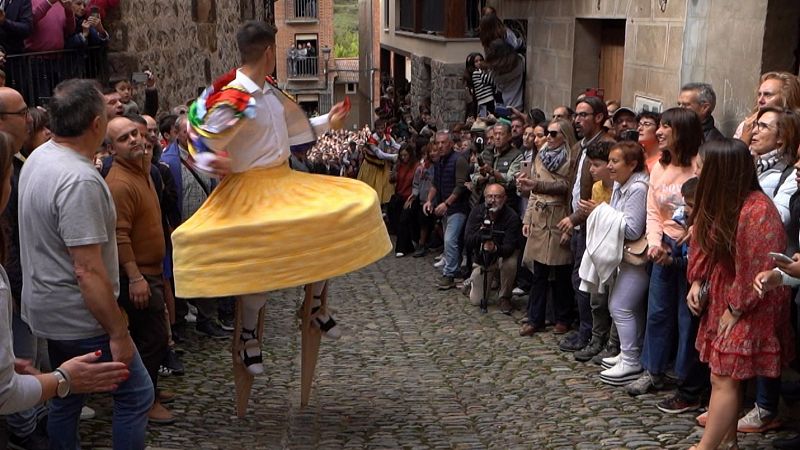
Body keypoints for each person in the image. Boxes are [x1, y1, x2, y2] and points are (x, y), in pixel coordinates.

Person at [172, 21, 390, 376]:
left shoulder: (268, 91)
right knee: (258, 271)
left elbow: (286, 135)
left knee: (330, 222)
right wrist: (216, 161)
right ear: (270, 53)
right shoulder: (234, 98)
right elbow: (199, 144)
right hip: (250, 190)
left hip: (282, 180)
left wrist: (325, 122)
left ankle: (314, 305)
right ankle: (247, 337)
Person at [18, 78, 153, 448]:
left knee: (68, 394)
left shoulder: (40, 157)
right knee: (136, 394)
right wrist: (118, 331)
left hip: (49, 309)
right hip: (80, 317)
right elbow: (87, 269)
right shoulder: (78, 180)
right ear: (96, 124)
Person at [687, 138, 794, 450]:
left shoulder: (758, 209)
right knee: (721, 373)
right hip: (726, 289)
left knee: (724, 375)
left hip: (756, 299)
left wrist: (736, 308)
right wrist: (697, 281)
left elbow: (758, 269)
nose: (696, 170)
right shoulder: (718, 200)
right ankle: (728, 440)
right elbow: (704, 245)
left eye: (702, 166)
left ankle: (705, 448)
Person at [104, 116, 174, 424]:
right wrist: (135, 277)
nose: (135, 140)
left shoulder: (143, 170)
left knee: (156, 337)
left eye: (135, 133)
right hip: (140, 275)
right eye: (124, 138)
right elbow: (119, 235)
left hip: (152, 270)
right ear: (111, 148)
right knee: (152, 339)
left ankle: (149, 392)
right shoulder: (120, 183)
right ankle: (145, 400)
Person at [628, 107, 702, 396]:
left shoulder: (698, 165)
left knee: (687, 315)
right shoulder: (658, 165)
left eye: (666, 126)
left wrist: (688, 238)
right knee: (657, 311)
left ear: (682, 131)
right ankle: (653, 370)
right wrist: (655, 243)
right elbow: (653, 210)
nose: (658, 131)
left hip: (691, 246)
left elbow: (703, 208)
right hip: (663, 244)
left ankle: (685, 378)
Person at [592, 142, 649, 386]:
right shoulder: (619, 184)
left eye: (615, 161)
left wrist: (601, 213)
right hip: (622, 256)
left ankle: (631, 360)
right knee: (629, 308)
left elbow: (634, 228)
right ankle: (628, 354)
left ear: (632, 164)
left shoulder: (638, 188)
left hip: (636, 258)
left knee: (620, 306)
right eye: (610, 160)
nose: (610, 166)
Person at [518, 119, 576, 335]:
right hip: (541, 217)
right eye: (548, 134)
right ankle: (535, 317)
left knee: (561, 272)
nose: (549, 138)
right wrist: (527, 218)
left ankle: (563, 317)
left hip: (559, 215)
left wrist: (537, 185)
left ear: (565, 136)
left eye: (554, 134)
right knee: (539, 273)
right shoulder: (541, 154)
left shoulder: (571, 157)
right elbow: (534, 191)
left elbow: (567, 187)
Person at [464, 183, 522, 311]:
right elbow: (467, 240)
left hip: (503, 254)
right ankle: (481, 281)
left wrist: (495, 248)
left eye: (497, 196)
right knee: (477, 301)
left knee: (510, 263)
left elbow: (510, 247)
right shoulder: (477, 212)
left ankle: (504, 297)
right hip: (483, 258)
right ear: (485, 198)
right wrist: (481, 235)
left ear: (504, 198)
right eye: (490, 196)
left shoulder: (511, 216)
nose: (493, 200)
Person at [425, 130, 470, 290]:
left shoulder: (459, 160)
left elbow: (460, 186)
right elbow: (435, 185)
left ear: (451, 143)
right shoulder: (439, 162)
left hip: (458, 207)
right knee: (451, 240)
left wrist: (446, 204)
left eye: (444, 142)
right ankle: (455, 270)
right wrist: (429, 200)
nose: (440, 146)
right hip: (446, 208)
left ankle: (450, 274)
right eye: (438, 143)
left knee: (450, 240)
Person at [735, 72, 800, 145]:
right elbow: (736, 156)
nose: (760, 100)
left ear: (786, 98)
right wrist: (745, 139)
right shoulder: (746, 126)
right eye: (759, 94)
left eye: (767, 94)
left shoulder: (796, 128)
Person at [464, 52, 496, 118]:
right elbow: (490, 80)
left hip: (484, 101)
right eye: (476, 61)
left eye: (481, 60)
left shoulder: (478, 72)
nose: (479, 62)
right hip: (487, 100)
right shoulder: (477, 72)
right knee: (488, 119)